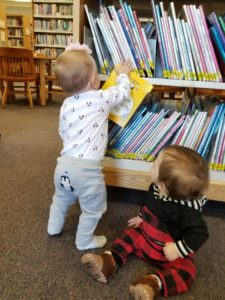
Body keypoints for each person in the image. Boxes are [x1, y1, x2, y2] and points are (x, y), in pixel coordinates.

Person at [81, 145, 209, 299]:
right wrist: (142, 217)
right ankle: (108, 261)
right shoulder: (156, 188)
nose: (152, 165)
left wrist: (177, 249)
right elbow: (149, 203)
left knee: (187, 273)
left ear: (164, 185)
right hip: (147, 238)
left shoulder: (188, 212)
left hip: (168, 253)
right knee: (129, 236)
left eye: (155, 164)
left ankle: (152, 284)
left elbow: (200, 234)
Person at [47, 43, 133, 250]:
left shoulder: (66, 105)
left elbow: (62, 131)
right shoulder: (100, 98)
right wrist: (123, 74)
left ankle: (53, 227)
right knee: (93, 209)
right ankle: (84, 240)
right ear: (95, 80)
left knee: (61, 198)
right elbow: (122, 93)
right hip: (87, 172)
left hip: (63, 166)